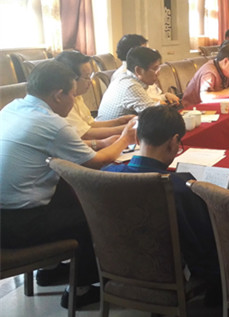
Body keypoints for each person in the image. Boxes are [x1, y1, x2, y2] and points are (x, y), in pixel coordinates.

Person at [0, 61, 136, 309]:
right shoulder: (52, 123)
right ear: (58, 95)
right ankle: (81, 289)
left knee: (70, 193)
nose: (74, 100)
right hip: (18, 224)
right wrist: (126, 137)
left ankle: (49, 270)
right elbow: (95, 162)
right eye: (72, 94)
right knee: (94, 214)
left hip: (5, 212)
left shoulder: (12, 107)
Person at [102, 105, 221, 304]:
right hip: (171, 273)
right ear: (174, 142)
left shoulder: (105, 175)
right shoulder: (180, 187)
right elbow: (204, 244)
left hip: (117, 266)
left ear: (137, 138)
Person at [55, 50, 134, 150]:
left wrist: (118, 121)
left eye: (90, 76)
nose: (91, 82)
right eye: (86, 77)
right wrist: (127, 128)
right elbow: (85, 134)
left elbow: (90, 124)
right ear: (71, 78)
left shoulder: (77, 96)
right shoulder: (63, 102)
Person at [97, 47, 179, 120]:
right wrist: (161, 105)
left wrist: (163, 97)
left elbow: (144, 101)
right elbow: (156, 116)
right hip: (111, 131)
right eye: (155, 68)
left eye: (159, 68)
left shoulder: (125, 77)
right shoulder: (131, 86)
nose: (158, 73)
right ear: (138, 71)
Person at [110, 34, 162, 99]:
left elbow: (154, 94)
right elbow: (142, 99)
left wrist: (164, 97)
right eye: (144, 50)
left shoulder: (145, 70)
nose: (148, 53)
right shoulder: (123, 75)